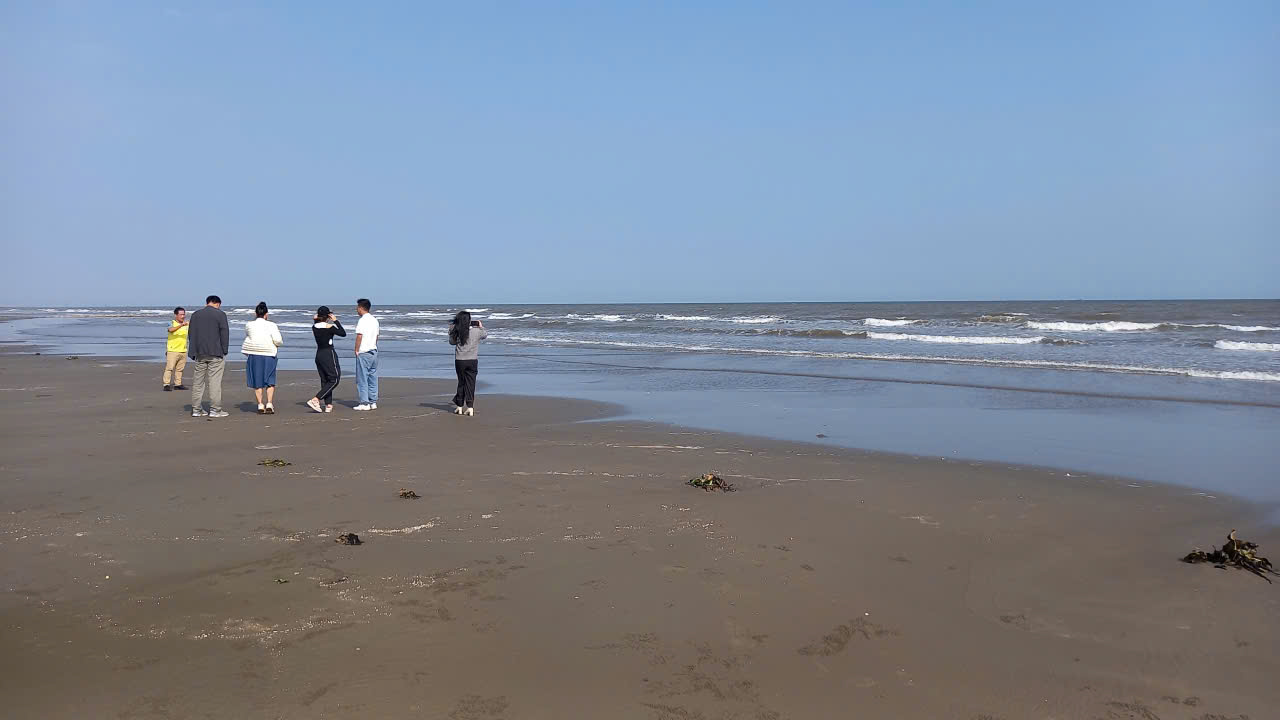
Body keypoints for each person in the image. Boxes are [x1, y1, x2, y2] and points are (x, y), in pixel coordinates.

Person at [188, 295, 230, 418]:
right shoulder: (220, 314)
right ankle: (215, 409)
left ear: (207, 303)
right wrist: (225, 350)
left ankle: (196, 409)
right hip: (216, 352)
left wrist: (193, 351)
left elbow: (191, 333)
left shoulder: (196, 315)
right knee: (214, 382)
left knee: (198, 382)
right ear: (218, 304)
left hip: (199, 352)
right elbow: (224, 333)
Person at [241, 301, 284, 414]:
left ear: (256, 313)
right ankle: (269, 403)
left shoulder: (249, 325)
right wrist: (277, 344)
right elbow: (278, 340)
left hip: (254, 354)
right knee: (270, 379)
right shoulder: (272, 325)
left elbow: (249, 335)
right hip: (269, 353)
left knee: (257, 380)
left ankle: (260, 404)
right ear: (266, 314)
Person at [307, 306, 346, 413]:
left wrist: (316, 319)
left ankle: (328, 405)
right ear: (328, 316)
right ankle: (316, 399)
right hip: (328, 354)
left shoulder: (314, 327)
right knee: (335, 379)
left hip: (319, 355)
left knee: (325, 380)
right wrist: (336, 320)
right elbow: (343, 333)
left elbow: (317, 323)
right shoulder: (330, 327)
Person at [449, 310, 488, 416]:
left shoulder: (456, 330)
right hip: (472, 360)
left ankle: (459, 406)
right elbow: (485, 335)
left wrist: (452, 329)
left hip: (460, 360)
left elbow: (451, 342)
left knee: (461, 382)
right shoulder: (476, 331)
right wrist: (480, 326)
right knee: (471, 384)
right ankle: (470, 407)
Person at [353, 298, 380, 411]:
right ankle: (373, 401)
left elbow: (359, 335)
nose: (357, 310)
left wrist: (356, 349)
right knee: (372, 377)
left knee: (362, 378)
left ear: (361, 308)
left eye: (357, 307)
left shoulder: (362, 320)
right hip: (373, 351)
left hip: (364, 351)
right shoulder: (375, 320)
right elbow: (377, 336)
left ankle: (365, 402)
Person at [163, 306, 189, 391]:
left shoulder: (187, 325)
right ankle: (166, 384)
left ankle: (178, 384)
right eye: (181, 314)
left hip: (183, 350)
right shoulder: (171, 322)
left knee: (180, 369)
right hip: (172, 350)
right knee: (169, 368)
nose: (183, 316)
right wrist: (181, 325)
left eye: (184, 314)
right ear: (176, 315)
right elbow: (170, 330)